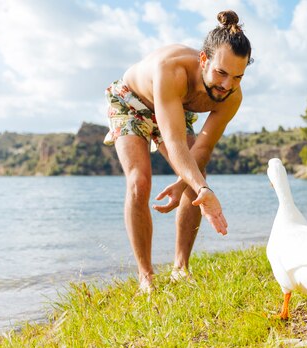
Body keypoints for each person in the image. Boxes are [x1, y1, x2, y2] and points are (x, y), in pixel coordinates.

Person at [103, 10, 253, 292]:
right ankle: (146, 277)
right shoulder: (171, 70)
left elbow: (204, 147)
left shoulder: (232, 96)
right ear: (204, 59)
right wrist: (199, 186)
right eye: (221, 73)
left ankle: (180, 268)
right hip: (131, 102)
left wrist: (190, 183)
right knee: (139, 182)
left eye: (237, 77)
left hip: (173, 109)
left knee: (197, 177)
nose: (227, 85)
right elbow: (174, 143)